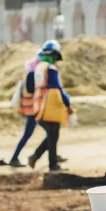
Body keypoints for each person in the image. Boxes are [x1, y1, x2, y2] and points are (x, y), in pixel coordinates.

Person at [28, 40, 73, 172]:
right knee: (53, 135)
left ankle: (36, 156)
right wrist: (67, 103)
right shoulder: (51, 69)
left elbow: (31, 88)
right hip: (50, 107)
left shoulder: (38, 68)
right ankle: (52, 165)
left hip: (39, 106)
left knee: (52, 135)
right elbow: (56, 88)